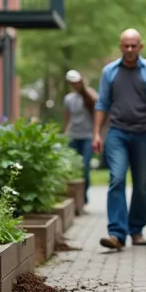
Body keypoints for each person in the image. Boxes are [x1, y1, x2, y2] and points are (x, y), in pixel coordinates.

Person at [94, 29, 146, 250]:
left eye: (133, 45)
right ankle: (116, 233)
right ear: (120, 46)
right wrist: (96, 132)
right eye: (125, 45)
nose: (129, 49)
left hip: (143, 132)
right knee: (116, 178)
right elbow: (102, 103)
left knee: (140, 183)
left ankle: (136, 230)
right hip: (117, 132)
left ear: (140, 46)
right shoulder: (110, 72)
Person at [62, 69, 97, 205]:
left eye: (78, 82)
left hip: (87, 136)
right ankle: (76, 198)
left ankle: (84, 194)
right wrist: (64, 133)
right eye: (73, 83)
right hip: (73, 136)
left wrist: (96, 134)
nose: (75, 85)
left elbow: (99, 108)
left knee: (85, 167)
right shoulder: (68, 99)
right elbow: (67, 117)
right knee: (73, 168)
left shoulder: (89, 95)